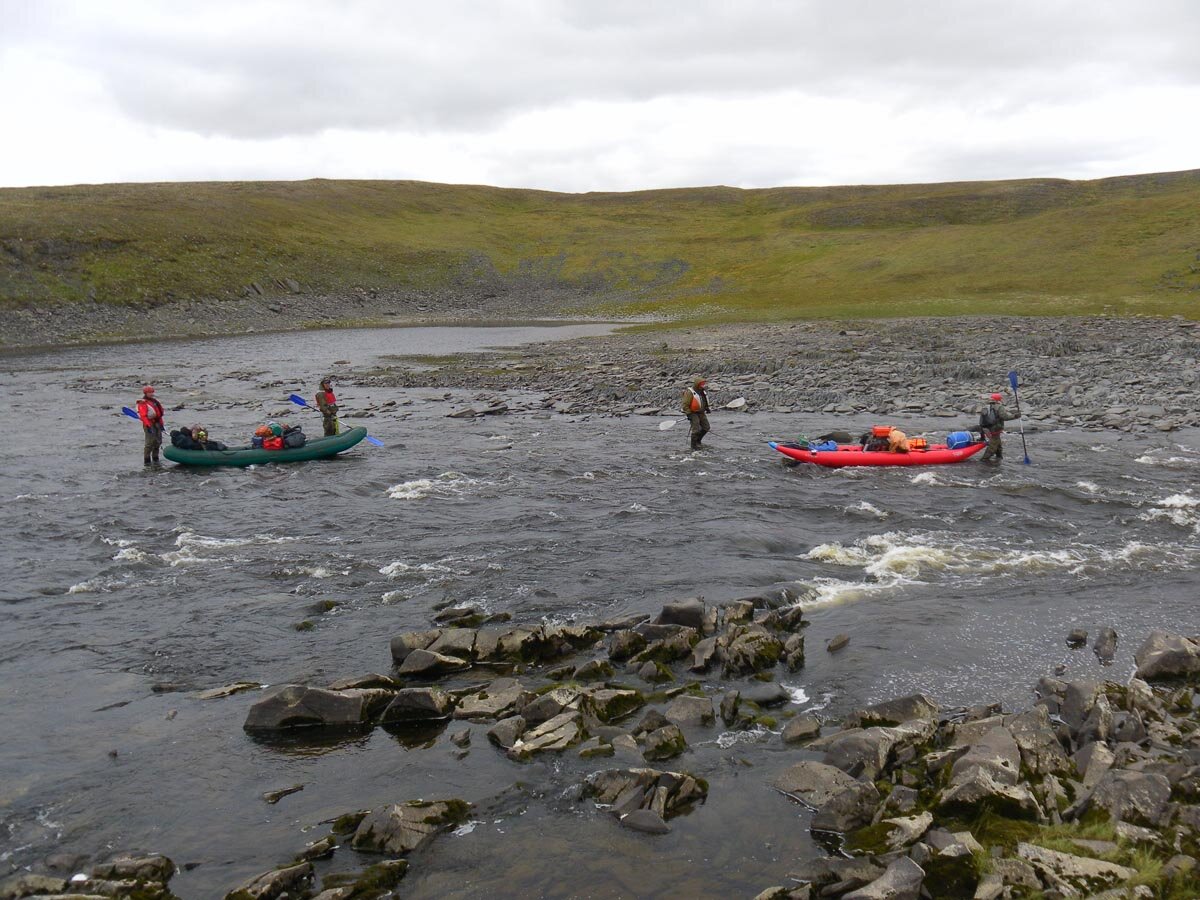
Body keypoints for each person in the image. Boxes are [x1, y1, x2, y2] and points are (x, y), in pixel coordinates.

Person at [979, 391, 1020, 461]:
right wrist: (1016, 416)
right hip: (995, 429)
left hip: (987, 428)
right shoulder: (999, 407)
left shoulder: (985, 407)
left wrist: (982, 434)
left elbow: (982, 420)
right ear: (998, 400)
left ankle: (999, 457)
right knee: (992, 446)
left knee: (998, 443)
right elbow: (1004, 417)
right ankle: (984, 460)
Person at [136, 385, 165, 466]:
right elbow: (143, 416)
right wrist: (148, 426)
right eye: (149, 392)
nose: (151, 394)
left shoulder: (155, 402)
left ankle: (155, 459)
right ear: (145, 393)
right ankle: (147, 461)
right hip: (149, 424)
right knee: (149, 443)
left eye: (152, 392)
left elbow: (159, 415)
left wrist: (161, 425)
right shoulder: (142, 403)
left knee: (158, 442)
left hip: (157, 423)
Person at [680, 377, 711, 450]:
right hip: (692, 413)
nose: (703, 385)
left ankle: (698, 441)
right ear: (697, 384)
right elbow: (685, 405)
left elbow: (704, 401)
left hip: (701, 412)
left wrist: (707, 408)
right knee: (696, 429)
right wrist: (689, 414)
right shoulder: (689, 392)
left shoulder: (702, 392)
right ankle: (693, 446)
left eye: (703, 384)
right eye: (701, 384)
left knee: (706, 427)